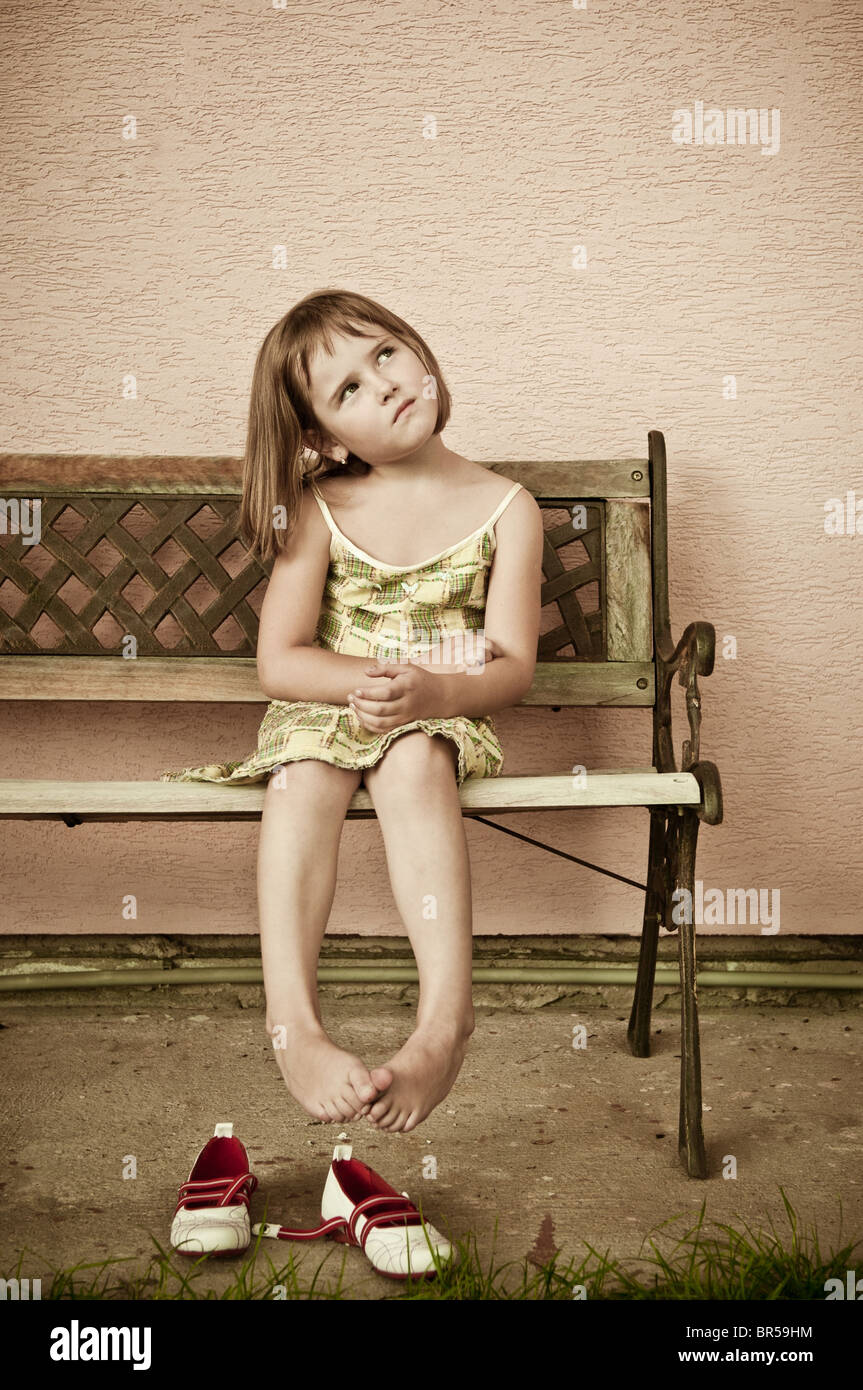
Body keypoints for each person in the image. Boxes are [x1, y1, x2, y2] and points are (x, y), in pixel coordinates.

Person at [159, 288, 544, 1133]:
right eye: (348, 391)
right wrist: (366, 682)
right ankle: (293, 1024)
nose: (384, 383)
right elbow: (280, 660)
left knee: (415, 757)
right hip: (329, 701)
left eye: (383, 354)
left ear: (416, 347)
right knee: (300, 773)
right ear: (328, 437)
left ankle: (445, 1022)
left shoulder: (508, 510)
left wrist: (434, 692)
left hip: (439, 704)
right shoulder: (319, 506)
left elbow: (510, 663)